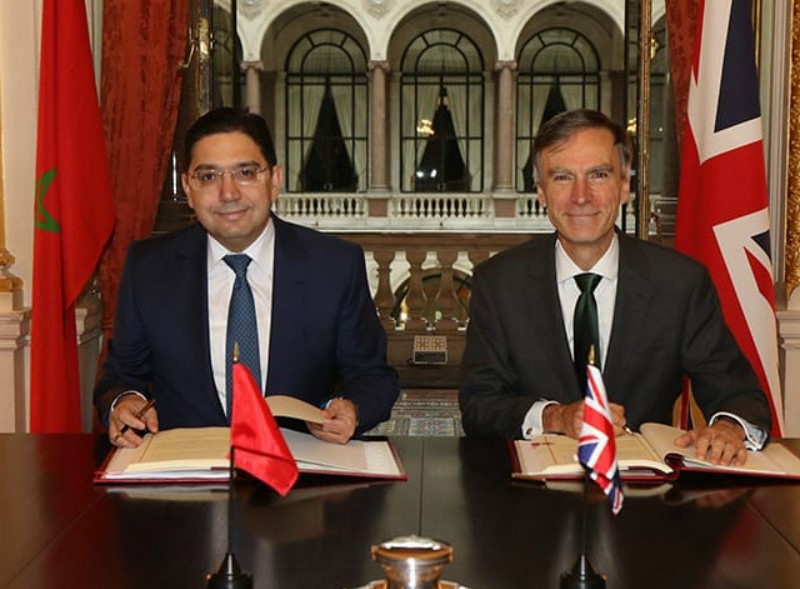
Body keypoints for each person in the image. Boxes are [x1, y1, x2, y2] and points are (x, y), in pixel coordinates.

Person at [459, 108, 771, 466]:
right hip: (529, 490)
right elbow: (478, 406)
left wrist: (729, 428)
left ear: (624, 187)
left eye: (598, 175)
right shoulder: (499, 284)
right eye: (562, 177)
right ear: (541, 192)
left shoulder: (680, 283)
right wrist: (555, 417)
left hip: (645, 492)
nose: (581, 196)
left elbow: (740, 395)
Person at [95, 107, 399, 447]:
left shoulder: (334, 266)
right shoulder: (149, 268)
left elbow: (373, 377)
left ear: (275, 181)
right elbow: (121, 377)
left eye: (245, 173)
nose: (228, 193)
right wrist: (123, 402)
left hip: (299, 466)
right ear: (188, 188)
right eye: (208, 176)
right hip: (187, 468)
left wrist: (351, 408)